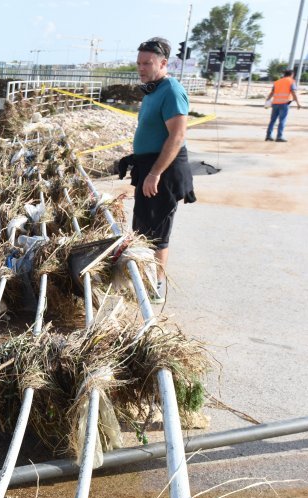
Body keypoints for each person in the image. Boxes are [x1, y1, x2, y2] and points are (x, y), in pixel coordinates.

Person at [123, 37, 195, 304]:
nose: (141, 68)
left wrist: (154, 173)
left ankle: (155, 286)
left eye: (148, 63)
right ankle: (144, 278)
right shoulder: (153, 90)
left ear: (163, 63)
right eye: (139, 63)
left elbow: (177, 136)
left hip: (163, 170)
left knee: (157, 231)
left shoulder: (172, 90)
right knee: (142, 226)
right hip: (150, 167)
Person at [265, 69, 301, 142]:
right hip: (285, 103)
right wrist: (298, 103)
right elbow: (293, 92)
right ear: (292, 74)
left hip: (275, 103)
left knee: (272, 120)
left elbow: (272, 93)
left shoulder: (277, 82)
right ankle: (279, 137)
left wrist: (267, 101)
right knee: (282, 120)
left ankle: (268, 136)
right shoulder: (291, 81)